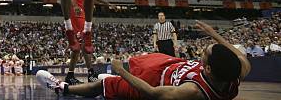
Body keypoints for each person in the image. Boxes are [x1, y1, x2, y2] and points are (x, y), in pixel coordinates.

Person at [37, 20, 248, 100]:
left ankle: (62, 88)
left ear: (208, 69)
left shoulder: (192, 92)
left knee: (106, 85)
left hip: (156, 81)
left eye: (205, 54)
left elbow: (153, 93)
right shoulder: (238, 69)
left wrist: (121, 71)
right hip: (169, 65)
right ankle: (115, 78)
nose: (202, 52)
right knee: (140, 59)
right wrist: (214, 34)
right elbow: (238, 55)